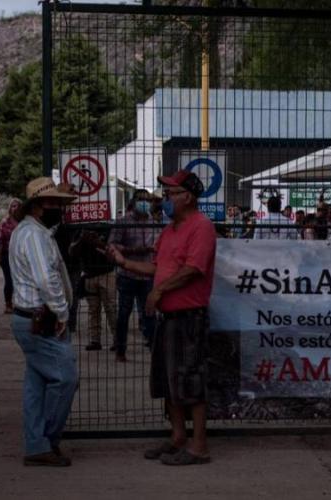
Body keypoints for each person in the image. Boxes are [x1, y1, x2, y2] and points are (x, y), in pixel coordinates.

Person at [108, 170, 216, 466]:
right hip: (168, 317)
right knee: (169, 381)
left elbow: (193, 269)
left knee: (190, 379)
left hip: (188, 315)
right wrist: (124, 262)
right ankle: (178, 437)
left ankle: (199, 446)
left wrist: (157, 294)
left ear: (188, 197)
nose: (164, 198)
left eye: (171, 193)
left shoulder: (201, 227)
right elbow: (158, 268)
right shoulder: (169, 231)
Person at [8, 177, 78, 466]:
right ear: (37, 206)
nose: (58, 208)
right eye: (53, 203)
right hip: (41, 319)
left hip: (31, 318)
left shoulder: (30, 231)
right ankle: (46, 439)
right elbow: (46, 280)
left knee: (36, 384)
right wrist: (62, 312)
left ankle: (37, 443)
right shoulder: (34, 236)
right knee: (66, 378)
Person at [108, 189, 158, 361]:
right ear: (134, 202)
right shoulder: (123, 222)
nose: (145, 203)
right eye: (141, 200)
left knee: (149, 314)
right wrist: (135, 250)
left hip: (147, 276)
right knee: (124, 314)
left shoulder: (153, 222)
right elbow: (112, 245)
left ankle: (155, 351)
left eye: (148, 200)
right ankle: (120, 350)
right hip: (127, 275)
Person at [70, 227, 117, 351]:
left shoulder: (106, 228)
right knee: (93, 310)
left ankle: (118, 339)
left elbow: (112, 251)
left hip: (106, 273)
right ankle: (95, 340)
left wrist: (96, 241)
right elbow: (72, 252)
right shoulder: (80, 230)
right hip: (89, 274)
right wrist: (82, 238)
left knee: (111, 308)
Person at [0, 198, 22, 314]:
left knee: (20, 280)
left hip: (21, 256)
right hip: (7, 255)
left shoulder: (24, 221)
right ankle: (8, 304)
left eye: (17, 206)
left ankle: (20, 303)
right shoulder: (5, 222)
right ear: (10, 208)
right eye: (13, 206)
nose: (15, 208)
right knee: (9, 280)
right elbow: (0, 240)